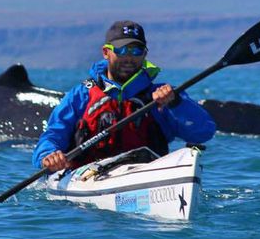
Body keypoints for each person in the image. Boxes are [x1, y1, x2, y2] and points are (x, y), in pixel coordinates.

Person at [32, 20, 216, 172]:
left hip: (146, 174)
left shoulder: (164, 95)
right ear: (106, 52)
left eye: (136, 51)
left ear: (144, 54)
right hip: (88, 176)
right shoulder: (80, 95)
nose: (129, 58)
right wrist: (48, 156)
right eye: (121, 50)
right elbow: (53, 135)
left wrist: (177, 103)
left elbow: (204, 132)